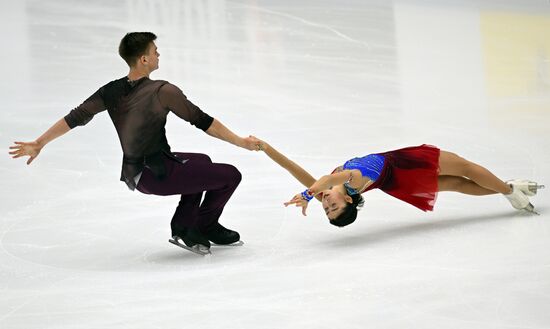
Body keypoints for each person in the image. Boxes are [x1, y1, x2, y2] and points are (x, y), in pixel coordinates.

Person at [9, 32, 259, 253]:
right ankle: (204, 225)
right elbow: (203, 121)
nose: (158, 54)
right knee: (231, 175)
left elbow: (75, 117)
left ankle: (185, 223)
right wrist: (240, 141)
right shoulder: (163, 91)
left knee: (201, 162)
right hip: (159, 175)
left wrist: (40, 142)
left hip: (135, 174)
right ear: (144, 59)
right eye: (155, 51)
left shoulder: (110, 90)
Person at [250, 138, 543, 227]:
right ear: (349, 200)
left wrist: (266, 149)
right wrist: (308, 193)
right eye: (334, 207)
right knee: (464, 168)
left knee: (457, 184)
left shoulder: (328, 186)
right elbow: (324, 180)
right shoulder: (349, 179)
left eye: (326, 209)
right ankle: (510, 190)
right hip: (404, 164)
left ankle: (509, 193)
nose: (327, 204)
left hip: (399, 182)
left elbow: (294, 169)